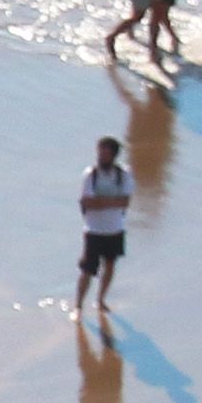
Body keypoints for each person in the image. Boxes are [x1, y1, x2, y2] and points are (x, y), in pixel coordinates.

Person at [72, 134, 131, 314]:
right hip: (94, 231)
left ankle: (100, 300)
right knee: (87, 270)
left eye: (106, 153)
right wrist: (112, 201)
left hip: (115, 230)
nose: (101, 156)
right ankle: (78, 306)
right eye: (100, 152)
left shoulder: (124, 175)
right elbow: (87, 203)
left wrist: (101, 202)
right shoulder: (90, 175)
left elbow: (125, 202)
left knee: (111, 266)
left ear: (114, 155)